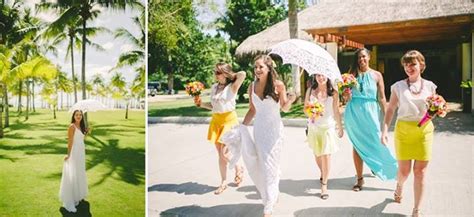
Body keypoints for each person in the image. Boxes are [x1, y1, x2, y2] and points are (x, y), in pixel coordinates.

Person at [381, 50, 437, 217]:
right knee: (404, 172)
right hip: (404, 131)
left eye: (413, 64)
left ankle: (416, 210)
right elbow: (390, 108)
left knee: (420, 172)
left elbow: (433, 108)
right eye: (406, 64)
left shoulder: (430, 86)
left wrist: (435, 112)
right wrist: (385, 129)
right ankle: (399, 184)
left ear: (421, 65)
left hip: (424, 131)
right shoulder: (398, 86)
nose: (409, 67)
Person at [241, 54, 296, 217]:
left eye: (261, 67)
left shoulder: (278, 85)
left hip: (274, 132)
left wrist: (291, 100)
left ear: (268, 68)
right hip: (259, 130)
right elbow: (252, 110)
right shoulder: (251, 86)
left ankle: (269, 203)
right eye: (255, 67)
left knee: (269, 165)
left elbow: (285, 108)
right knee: (263, 164)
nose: (257, 70)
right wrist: (243, 127)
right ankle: (271, 194)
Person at [343, 48, 398, 191]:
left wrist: (387, 118)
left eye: (363, 57)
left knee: (376, 141)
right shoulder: (351, 75)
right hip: (353, 113)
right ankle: (360, 179)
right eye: (359, 58)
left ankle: (381, 166)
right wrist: (346, 93)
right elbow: (346, 98)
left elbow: (381, 98)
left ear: (369, 57)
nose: (361, 60)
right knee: (357, 145)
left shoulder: (377, 75)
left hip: (371, 112)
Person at [194, 62, 246, 194]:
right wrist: (201, 104)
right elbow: (214, 106)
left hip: (229, 120)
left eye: (218, 72)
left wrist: (231, 75)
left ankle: (238, 167)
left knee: (224, 153)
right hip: (216, 121)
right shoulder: (214, 87)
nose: (215, 75)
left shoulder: (232, 87)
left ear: (225, 73)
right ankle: (223, 182)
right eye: (215, 72)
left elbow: (243, 74)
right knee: (220, 155)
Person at [304, 74, 343, 200]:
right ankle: (323, 172)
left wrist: (340, 127)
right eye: (318, 76)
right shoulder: (310, 90)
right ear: (315, 77)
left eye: (324, 75)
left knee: (326, 155)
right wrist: (312, 111)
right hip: (314, 127)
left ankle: (324, 185)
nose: (321, 78)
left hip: (328, 127)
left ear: (328, 77)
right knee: (318, 154)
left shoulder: (334, 92)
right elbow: (305, 109)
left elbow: (336, 111)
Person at [59, 110, 90, 213]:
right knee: (73, 174)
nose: (79, 116)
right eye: (77, 115)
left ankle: (78, 195)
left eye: (80, 115)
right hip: (74, 153)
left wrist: (86, 133)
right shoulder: (71, 126)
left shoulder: (81, 126)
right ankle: (71, 198)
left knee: (79, 173)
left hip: (81, 153)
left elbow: (81, 139)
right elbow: (70, 141)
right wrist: (68, 155)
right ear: (74, 116)